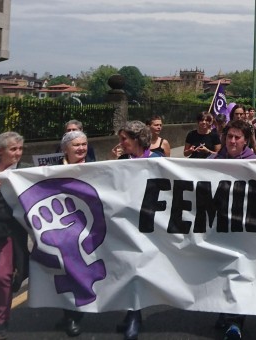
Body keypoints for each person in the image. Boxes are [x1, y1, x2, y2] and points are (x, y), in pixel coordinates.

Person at [208, 119, 256, 340]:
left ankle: (235, 322)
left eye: (238, 137)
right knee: (220, 273)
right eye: (229, 136)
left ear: (246, 140)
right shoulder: (213, 161)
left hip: (243, 230)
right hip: (218, 228)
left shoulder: (255, 163)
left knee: (238, 273)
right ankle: (223, 310)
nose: (233, 140)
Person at [115, 121, 163, 340]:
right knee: (128, 269)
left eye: (124, 138)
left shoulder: (157, 160)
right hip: (126, 224)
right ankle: (131, 313)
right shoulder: (121, 161)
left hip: (150, 224)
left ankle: (134, 315)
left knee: (140, 269)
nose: (121, 143)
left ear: (136, 139)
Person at [0, 132, 29, 340]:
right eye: (13, 149)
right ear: (0, 151)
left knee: (2, 276)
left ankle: (0, 321)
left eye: (20, 149)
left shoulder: (25, 173)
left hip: (9, 233)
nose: (17, 153)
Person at [54, 130, 91, 336]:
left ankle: (75, 315)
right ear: (64, 149)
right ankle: (70, 316)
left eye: (84, 144)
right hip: (65, 232)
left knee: (84, 273)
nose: (81, 148)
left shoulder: (98, 168)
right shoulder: (52, 171)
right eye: (76, 145)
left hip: (92, 231)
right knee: (67, 273)